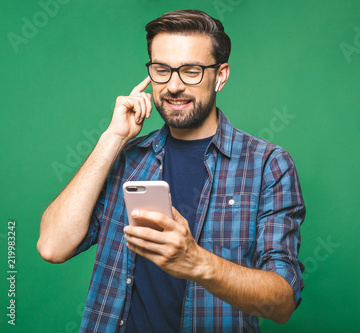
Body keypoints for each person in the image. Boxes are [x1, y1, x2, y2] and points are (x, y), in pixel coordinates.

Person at [37, 9, 305, 333]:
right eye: (162, 70)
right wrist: (112, 139)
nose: (174, 86)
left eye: (191, 71)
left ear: (220, 75)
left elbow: (282, 302)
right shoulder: (127, 158)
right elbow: (52, 245)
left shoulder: (267, 165)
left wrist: (197, 262)